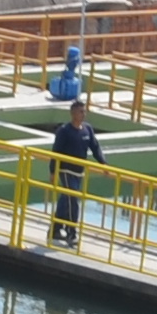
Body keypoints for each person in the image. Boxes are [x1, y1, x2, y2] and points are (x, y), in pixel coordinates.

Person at [47, 104, 103, 247]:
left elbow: (95, 147)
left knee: (66, 199)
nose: (83, 114)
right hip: (66, 170)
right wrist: (53, 171)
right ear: (73, 114)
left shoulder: (87, 129)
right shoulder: (65, 131)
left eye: (84, 112)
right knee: (73, 199)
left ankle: (55, 228)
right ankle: (71, 232)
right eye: (80, 112)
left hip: (79, 172)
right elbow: (56, 151)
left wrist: (103, 163)